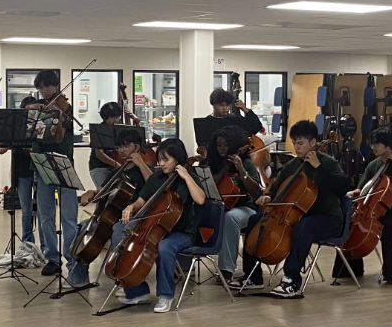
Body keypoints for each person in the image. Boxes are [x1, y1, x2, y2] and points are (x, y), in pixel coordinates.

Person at [231, 120, 349, 297]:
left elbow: (342, 188)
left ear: (312, 142)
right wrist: (268, 197)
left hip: (328, 218)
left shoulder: (328, 162)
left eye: (300, 143)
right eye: (294, 143)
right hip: (297, 216)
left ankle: (291, 281)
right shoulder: (292, 165)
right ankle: (252, 277)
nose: (296, 147)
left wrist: (319, 167)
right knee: (255, 220)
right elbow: (276, 188)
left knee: (305, 227)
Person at [115, 138, 206, 313]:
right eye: (160, 159)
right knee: (128, 236)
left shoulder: (189, 178)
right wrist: (130, 207)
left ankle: (166, 295)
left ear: (178, 159)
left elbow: (200, 199)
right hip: (157, 228)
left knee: (164, 246)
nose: (161, 164)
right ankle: (137, 292)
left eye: (166, 160)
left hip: (182, 232)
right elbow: (142, 201)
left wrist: (186, 176)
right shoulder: (157, 177)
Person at [25, 70, 87, 285]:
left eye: (46, 87)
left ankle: (71, 259)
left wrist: (59, 119)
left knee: (69, 216)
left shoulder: (65, 109)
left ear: (56, 85)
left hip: (63, 162)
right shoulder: (37, 107)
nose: (43, 92)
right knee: (45, 215)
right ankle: (51, 257)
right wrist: (30, 110)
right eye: (40, 88)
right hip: (41, 163)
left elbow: (60, 136)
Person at [337, 127, 392, 284]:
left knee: (388, 225)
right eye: (372, 144)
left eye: (376, 144)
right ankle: (351, 270)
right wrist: (352, 193)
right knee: (349, 223)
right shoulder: (373, 165)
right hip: (375, 210)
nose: (372, 147)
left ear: (389, 145)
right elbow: (362, 190)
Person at [205, 125, 261, 283]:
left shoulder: (246, 164)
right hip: (219, 207)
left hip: (245, 209)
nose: (222, 149)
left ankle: (226, 269)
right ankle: (185, 266)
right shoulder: (212, 164)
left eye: (226, 145)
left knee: (230, 217)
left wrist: (242, 171)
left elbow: (256, 192)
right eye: (218, 145)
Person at [0, 96, 39, 250]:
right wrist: (14, 143)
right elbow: (2, 150)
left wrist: (32, 149)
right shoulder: (16, 128)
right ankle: (27, 242)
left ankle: (42, 244)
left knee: (41, 211)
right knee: (26, 210)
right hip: (21, 172)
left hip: (38, 170)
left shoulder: (39, 127)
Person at [79, 128, 153, 209]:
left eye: (126, 146)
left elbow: (153, 185)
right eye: (119, 147)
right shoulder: (115, 172)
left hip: (135, 214)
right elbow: (101, 191)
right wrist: (92, 192)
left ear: (137, 147)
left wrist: (140, 163)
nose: (121, 150)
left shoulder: (145, 169)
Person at [89, 102, 127, 189]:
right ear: (106, 117)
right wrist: (117, 164)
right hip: (99, 167)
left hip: (114, 168)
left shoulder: (119, 129)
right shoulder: (100, 130)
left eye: (117, 117)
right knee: (104, 194)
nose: (116, 120)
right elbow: (99, 154)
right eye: (113, 117)